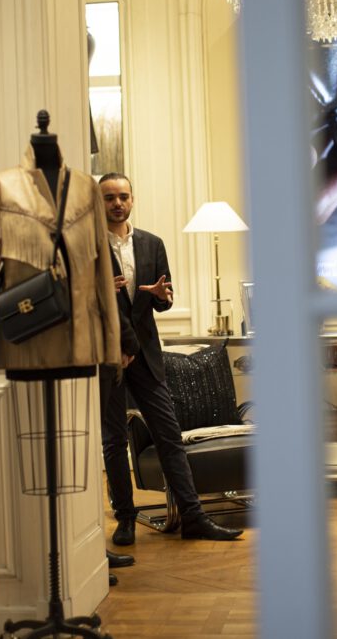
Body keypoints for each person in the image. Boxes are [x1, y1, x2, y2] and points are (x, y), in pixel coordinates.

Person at [97, 172, 243, 544]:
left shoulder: (152, 243)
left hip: (146, 355)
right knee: (114, 442)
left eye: (123, 196)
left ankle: (193, 517)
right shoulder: (88, 247)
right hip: (109, 355)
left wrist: (163, 297)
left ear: (132, 199)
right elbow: (82, 302)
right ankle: (125, 519)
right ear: (99, 203)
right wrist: (99, 292)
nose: (117, 203)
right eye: (109, 197)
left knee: (169, 436)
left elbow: (164, 300)